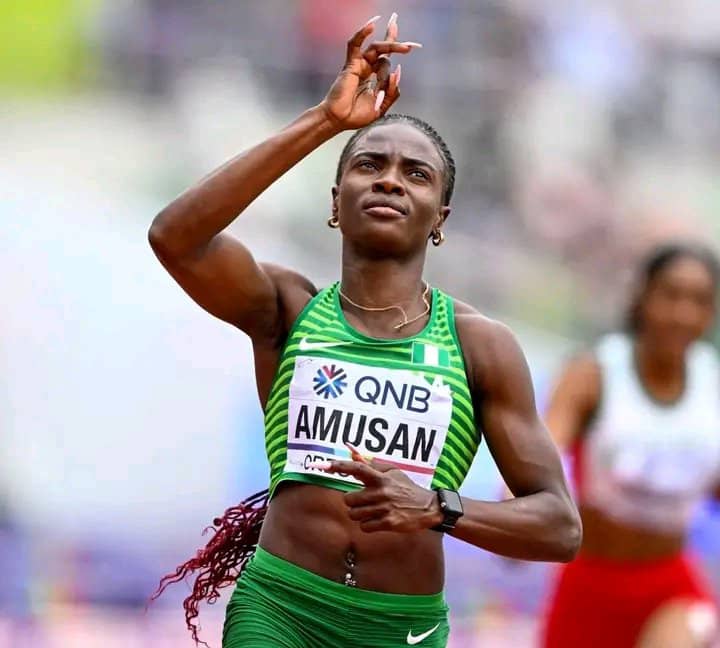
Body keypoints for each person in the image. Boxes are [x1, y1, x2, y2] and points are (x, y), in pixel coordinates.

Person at [148, 13, 581, 648]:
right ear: (335, 201)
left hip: (400, 626)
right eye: (370, 164)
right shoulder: (286, 308)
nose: (389, 179)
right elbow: (175, 238)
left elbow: (559, 527)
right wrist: (327, 122)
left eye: (416, 175)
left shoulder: (479, 345)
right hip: (281, 609)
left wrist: (437, 507)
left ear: (441, 216)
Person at [541, 242, 720, 648]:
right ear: (642, 297)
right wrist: (517, 500)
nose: (683, 314)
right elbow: (541, 455)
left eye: (699, 301)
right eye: (671, 295)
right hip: (590, 582)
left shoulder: (714, 387)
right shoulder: (594, 373)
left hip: (671, 587)